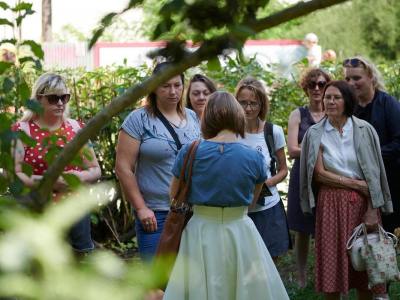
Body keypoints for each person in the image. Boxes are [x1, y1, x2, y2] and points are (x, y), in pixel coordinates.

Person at [163, 91, 289, 300]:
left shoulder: (189, 151)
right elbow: (250, 201)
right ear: (237, 116)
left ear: (208, 117)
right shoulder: (255, 157)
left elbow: (174, 194)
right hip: (240, 230)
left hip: (200, 230)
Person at [300, 80, 392, 299]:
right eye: (327, 97)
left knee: (366, 268)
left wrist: (372, 209)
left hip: (363, 204)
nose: (330, 101)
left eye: (336, 97)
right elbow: (319, 174)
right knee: (332, 272)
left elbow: (375, 173)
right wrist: (356, 184)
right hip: (330, 205)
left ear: (347, 101)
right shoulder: (315, 133)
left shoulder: (364, 130)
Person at [115, 62, 200, 261]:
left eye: (177, 85)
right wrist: (141, 208)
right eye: (165, 86)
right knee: (157, 284)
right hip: (155, 213)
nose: (173, 91)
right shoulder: (138, 119)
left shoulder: (194, 117)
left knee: (189, 281)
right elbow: (123, 168)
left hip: (192, 212)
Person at [12, 72, 101, 253]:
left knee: (80, 259)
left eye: (64, 97)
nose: (60, 103)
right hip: (36, 208)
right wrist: (48, 181)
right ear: (38, 99)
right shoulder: (22, 130)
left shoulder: (75, 128)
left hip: (74, 208)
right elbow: (15, 174)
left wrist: (77, 177)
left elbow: (95, 169)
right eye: (53, 98)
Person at [235, 76, 290, 260]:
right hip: (239, 209)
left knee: (270, 262)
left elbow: (283, 169)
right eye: (243, 103)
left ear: (262, 105)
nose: (248, 108)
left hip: (268, 207)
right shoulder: (231, 132)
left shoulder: (273, 131)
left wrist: (265, 183)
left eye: (253, 103)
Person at [343, 56, 400, 234]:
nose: (351, 83)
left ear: (371, 77)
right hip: (357, 181)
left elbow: (399, 142)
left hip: (390, 179)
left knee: (388, 231)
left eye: (357, 78)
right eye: (348, 79)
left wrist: (370, 157)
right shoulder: (349, 108)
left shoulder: (387, 103)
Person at [287, 68, 331, 287]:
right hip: (302, 177)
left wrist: (309, 146)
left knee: (327, 228)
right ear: (305, 87)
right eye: (312, 84)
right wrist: (319, 147)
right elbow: (292, 150)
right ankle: (302, 276)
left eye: (321, 84)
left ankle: (326, 274)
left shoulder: (333, 112)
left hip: (328, 177)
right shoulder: (298, 114)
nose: (316, 88)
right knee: (302, 230)